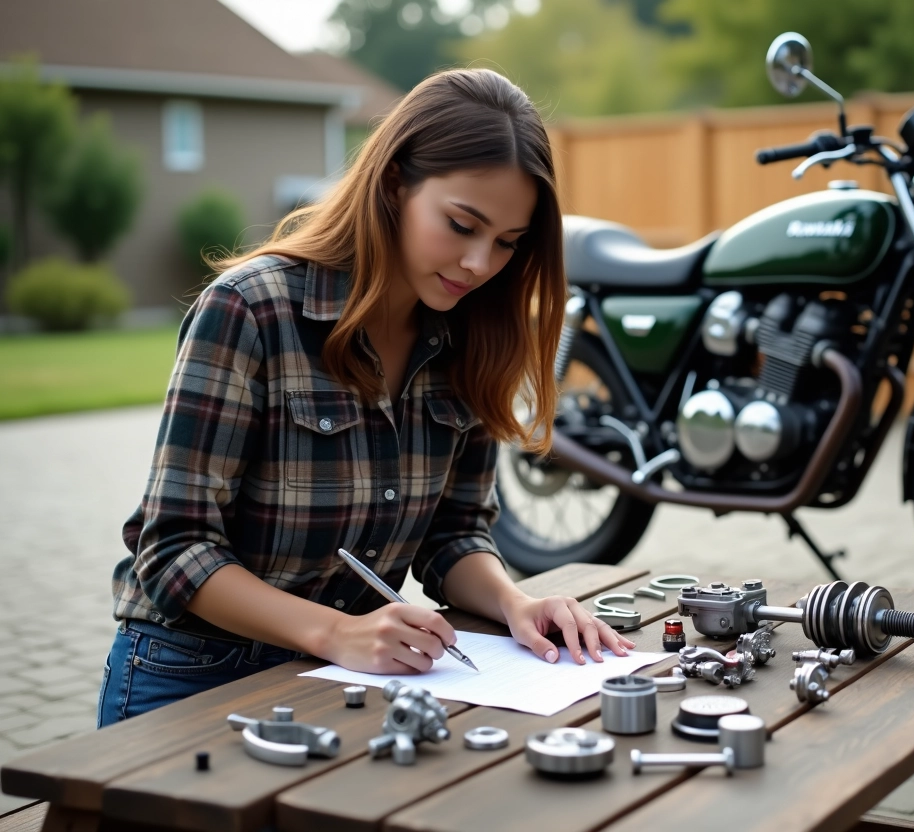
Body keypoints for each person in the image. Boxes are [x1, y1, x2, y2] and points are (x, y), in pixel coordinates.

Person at [97, 69, 633, 727]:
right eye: (462, 224)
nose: (479, 263)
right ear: (393, 184)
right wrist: (334, 633)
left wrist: (512, 604)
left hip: (344, 676)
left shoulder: (474, 335)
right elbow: (174, 549)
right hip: (193, 674)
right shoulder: (250, 310)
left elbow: (454, 534)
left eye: (506, 244)